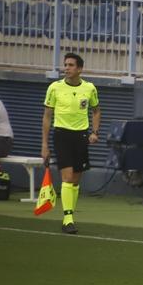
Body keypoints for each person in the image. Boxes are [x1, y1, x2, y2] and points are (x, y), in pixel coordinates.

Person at [41, 53, 100, 235]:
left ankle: (70, 215)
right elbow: (47, 116)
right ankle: (68, 219)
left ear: (79, 69)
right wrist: (44, 144)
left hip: (81, 137)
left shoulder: (89, 88)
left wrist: (94, 132)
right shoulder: (54, 88)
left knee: (75, 180)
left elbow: (96, 110)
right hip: (62, 135)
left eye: (71, 65)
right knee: (67, 178)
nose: (66, 68)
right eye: (65, 65)